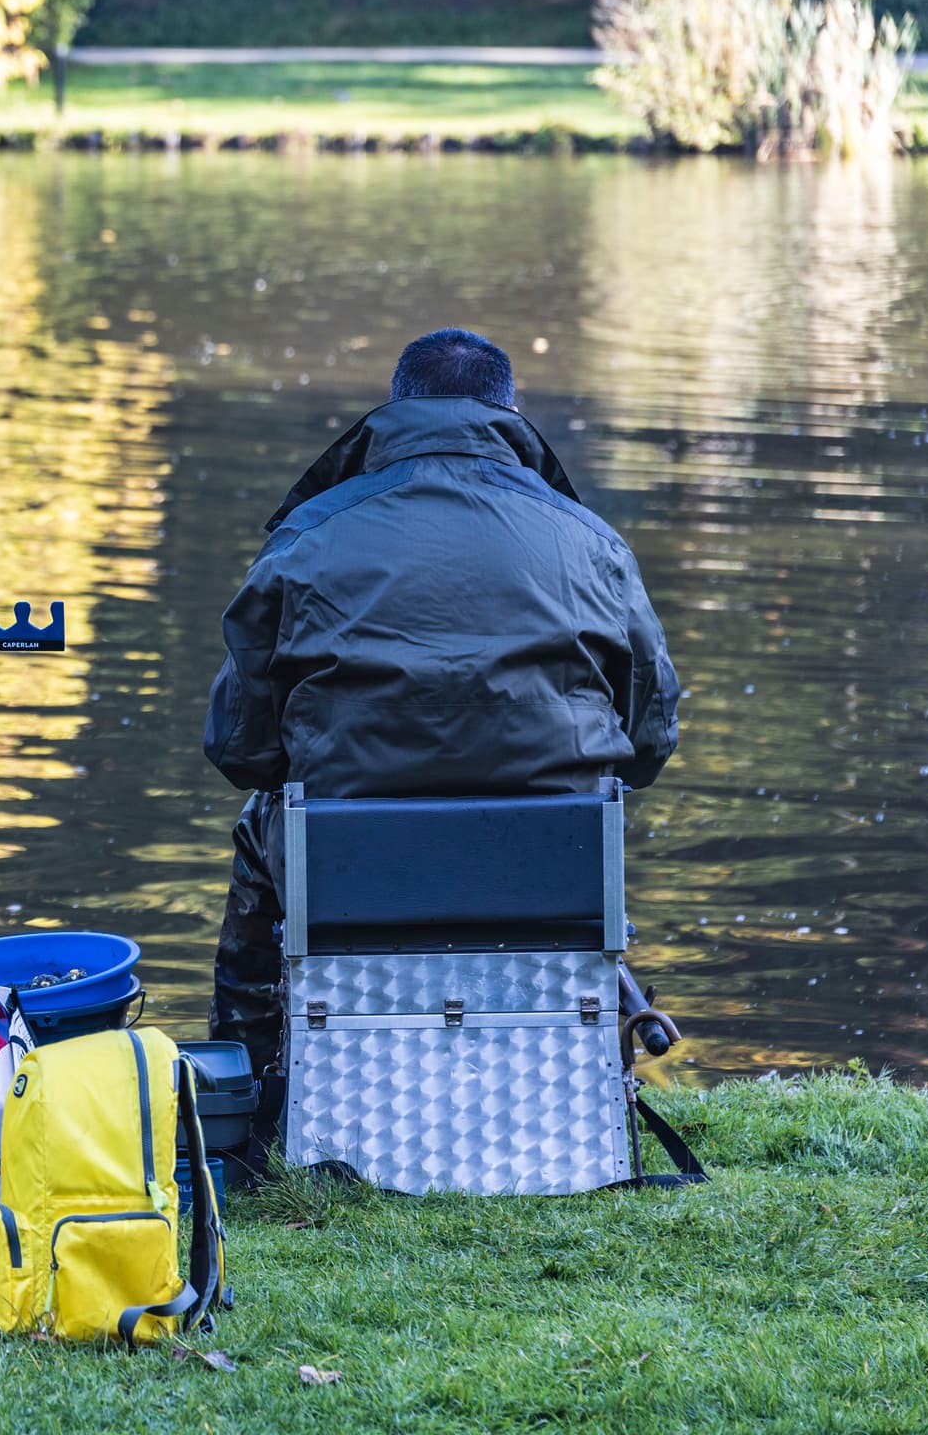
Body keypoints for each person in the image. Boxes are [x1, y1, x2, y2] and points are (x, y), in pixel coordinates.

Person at [202, 328, 680, 1164]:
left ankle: (250, 1114)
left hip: (347, 851)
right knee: (592, 820)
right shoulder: (590, 540)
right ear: (510, 413)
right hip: (553, 849)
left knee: (261, 828)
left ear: (392, 411)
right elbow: (645, 743)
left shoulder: (309, 534)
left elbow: (241, 748)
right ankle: (589, 1105)